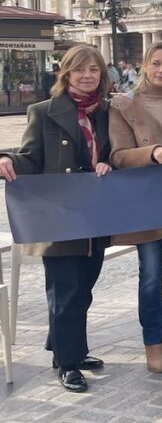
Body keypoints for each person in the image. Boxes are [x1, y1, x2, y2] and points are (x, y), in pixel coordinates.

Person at [0, 44, 114, 393]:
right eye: (80, 70)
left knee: (84, 289)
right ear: (66, 73)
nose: (87, 76)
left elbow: (118, 152)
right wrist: (5, 159)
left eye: (93, 70)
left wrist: (110, 163)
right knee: (65, 290)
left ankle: (69, 349)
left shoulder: (109, 112)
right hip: (61, 215)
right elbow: (30, 158)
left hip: (96, 215)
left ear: (101, 75)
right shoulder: (43, 111)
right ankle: (67, 363)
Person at [108, 41, 162, 373]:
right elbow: (117, 155)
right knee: (151, 272)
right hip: (146, 198)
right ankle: (153, 340)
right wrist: (153, 151)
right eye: (156, 63)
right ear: (145, 65)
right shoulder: (125, 104)